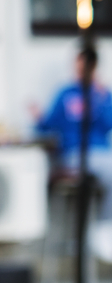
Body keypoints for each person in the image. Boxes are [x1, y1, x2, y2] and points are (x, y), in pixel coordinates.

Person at [33, 48, 112, 260]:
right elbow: (48, 125)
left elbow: (108, 125)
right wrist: (37, 117)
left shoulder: (103, 94)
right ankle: (102, 230)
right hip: (74, 155)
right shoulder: (65, 93)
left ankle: (102, 229)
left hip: (101, 153)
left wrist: (101, 97)